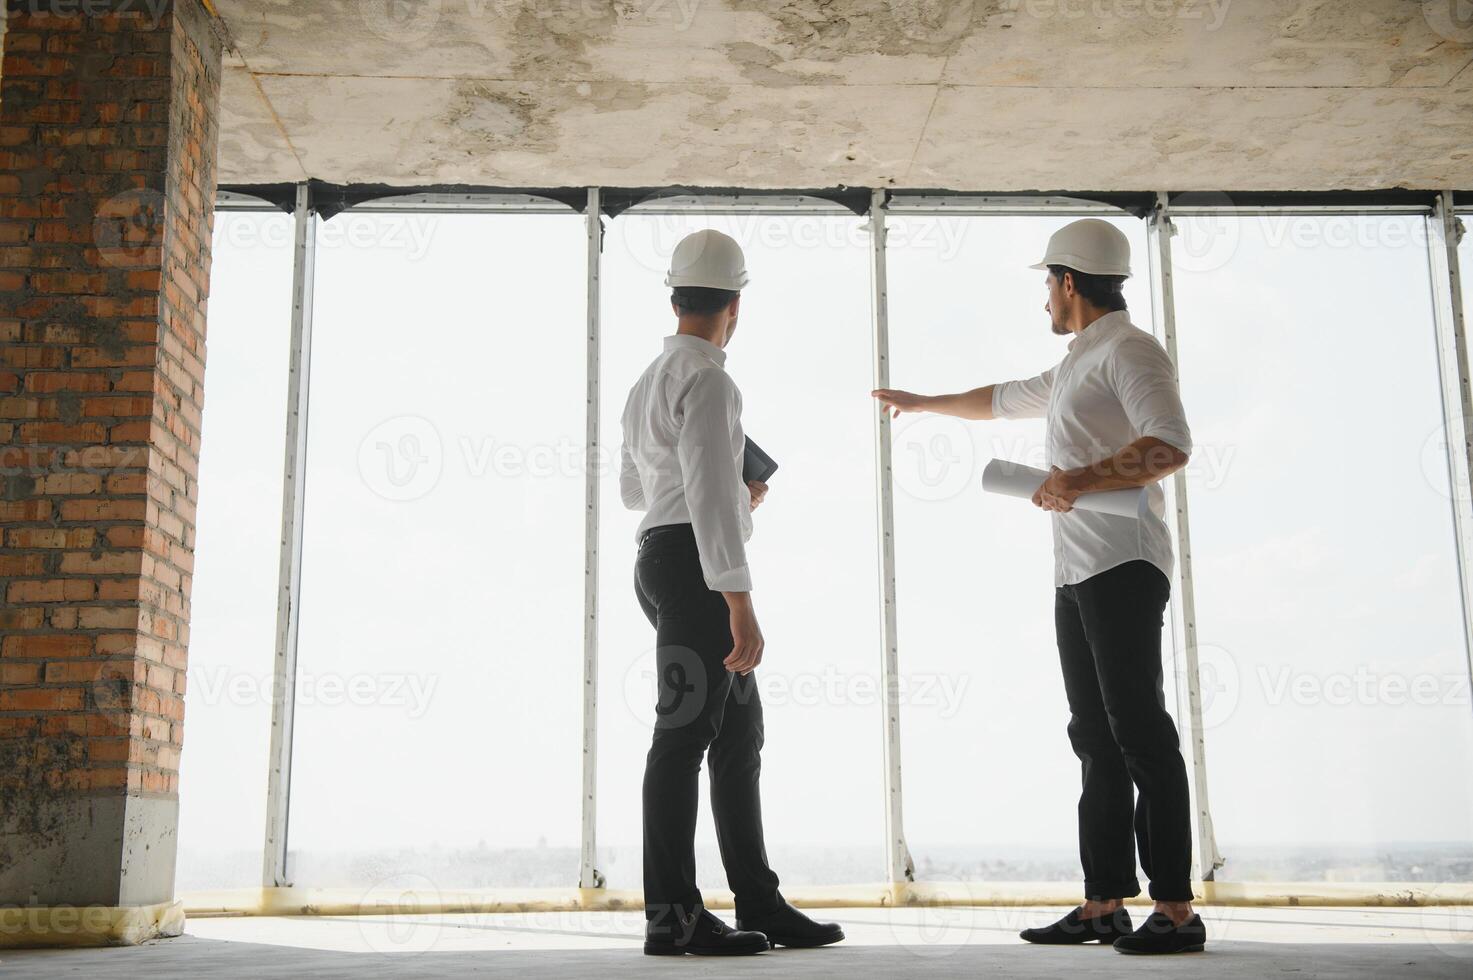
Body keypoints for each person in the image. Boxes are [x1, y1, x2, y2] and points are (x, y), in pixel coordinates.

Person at [873, 218, 1206, 955]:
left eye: (1046, 285)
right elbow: (1002, 398)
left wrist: (1079, 479)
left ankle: (1177, 909)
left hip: (1124, 562)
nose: (1044, 301)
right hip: (1077, 570)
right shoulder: (1078, 362)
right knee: (1094, 736)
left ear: (1066, 282)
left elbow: (1169, 444)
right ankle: (1104, 903)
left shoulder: (1129, 349)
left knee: (1138, 730)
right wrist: (923, 403)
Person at [620, 229, 845, 957]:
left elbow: (635, 490)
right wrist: (738, 601)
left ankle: (758, 901)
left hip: (660, 559)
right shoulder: (711, 381)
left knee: (736, 735)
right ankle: (672, 917)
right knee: (683, 737)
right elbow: (714, 500)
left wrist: (731, 495)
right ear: (735, 306)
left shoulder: (646, 381)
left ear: (676, 295)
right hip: (696, 571)